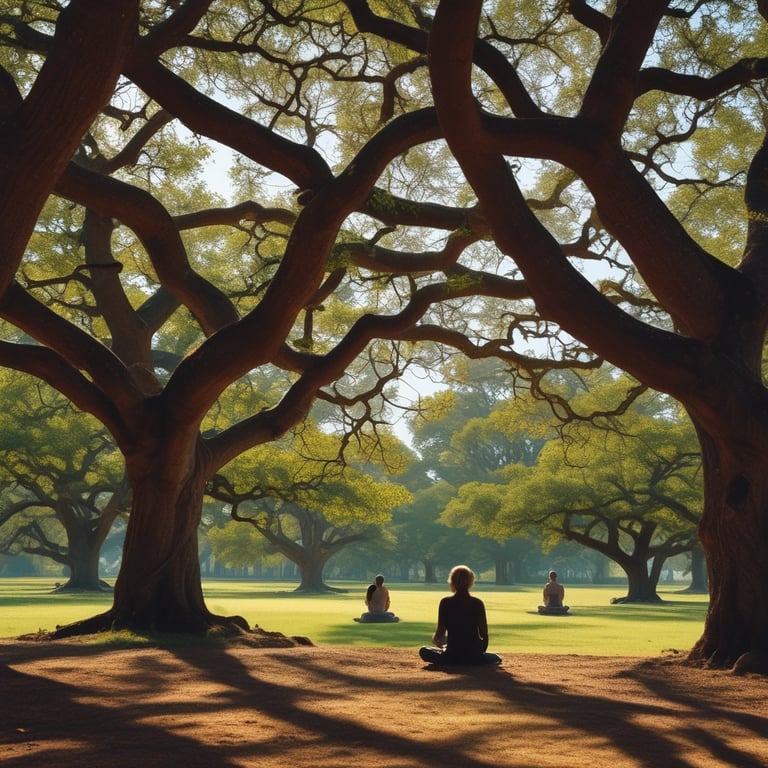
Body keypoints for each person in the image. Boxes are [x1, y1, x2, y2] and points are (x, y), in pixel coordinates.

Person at [418, 565, 502, 665]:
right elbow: (484, 634)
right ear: (471, 582)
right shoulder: (477, 603)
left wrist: (439, 642)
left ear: (452, 581)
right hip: (474, 656)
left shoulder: (446, 603)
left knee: (424, 651)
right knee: (496, 658)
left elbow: (439, 634)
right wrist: (480, 653)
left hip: (452, 655)